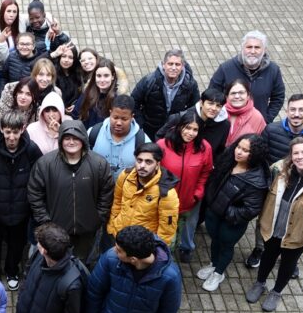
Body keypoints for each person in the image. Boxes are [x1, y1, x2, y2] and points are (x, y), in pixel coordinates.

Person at [246, 137, 303, 311]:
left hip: (298, 236)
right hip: (272, 229)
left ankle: (276, 292)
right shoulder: (278, 171)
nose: (300, 157)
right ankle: (260, 283)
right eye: (296, 153)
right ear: (291, 155)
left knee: (288, 264)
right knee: (267, 257)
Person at [247, 93, 303, 268]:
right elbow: (260, 154)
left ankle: (289, 257)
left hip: (302, 189)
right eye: (292, 109)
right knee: (265, 219)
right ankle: (259, 248)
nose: (296, 114)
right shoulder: (272, 130)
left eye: (301, 110)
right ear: (287, 110)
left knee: (295, 222)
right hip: (274, 186)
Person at [27, 120, 114, 260]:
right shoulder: (45, 164)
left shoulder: (99, 163)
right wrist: (45, 221)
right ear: (61, 140)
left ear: (83, 139)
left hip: (87, 231)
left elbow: (106, 193)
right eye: (67, 138)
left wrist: (97, 218)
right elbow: (35, 194)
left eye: (76, 138)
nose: (71, 142)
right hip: (55, 231)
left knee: (82, 264)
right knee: (56, 263)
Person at [197, 134, 270, 292]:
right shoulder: (228, 161)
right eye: (238, 147)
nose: (239, 152)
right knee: (215, 240)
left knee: (226, 245)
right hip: (214, 214)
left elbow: (251, 209)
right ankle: (214, 264)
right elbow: (213, 181)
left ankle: (218, 273)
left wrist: (223, 209)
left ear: (255, 154)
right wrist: (212, 202)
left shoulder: (257, 181)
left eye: (245, 150)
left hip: (231, 222)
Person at [0, 110, 43, 289]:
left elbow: (38, 178)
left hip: (20, 210)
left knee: (17, 246)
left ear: (22, 129)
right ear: (1, 129)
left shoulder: (31, 150)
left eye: (15, 132)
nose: (11, 137)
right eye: (8, 132)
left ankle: (11, 271)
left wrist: (28, 201)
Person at [157, 109, 213, 263]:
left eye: (195, 129)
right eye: (187, 127)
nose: (191, 133)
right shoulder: (163, 145)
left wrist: (198, 191)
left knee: (187, 227)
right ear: (179, 126)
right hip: (165, 200)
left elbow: (206, 171)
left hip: (190, 200)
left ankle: (186, 248)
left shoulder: (204, 147)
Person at [108, 143, 180, 247]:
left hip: (142, 245)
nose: (142, 166)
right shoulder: (125, 176)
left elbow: (167, 229)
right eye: (139, 160)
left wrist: (158, 249)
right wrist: (112, 226)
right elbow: (117, 202)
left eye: (148, 162)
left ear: (157, 165)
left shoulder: (166, 193)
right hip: (119, 235)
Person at [210, 30, 285, 123]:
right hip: (228, 124)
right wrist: (220, 118)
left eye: (257, 47)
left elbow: (278, 97)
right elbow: (213, 94)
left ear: (264, 50)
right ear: (242, 48)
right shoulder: (225, 68)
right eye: (249, 47)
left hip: (257, 125)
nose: (253, 51)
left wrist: (266, 119)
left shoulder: (273, 70)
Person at [131, 48, 200, 139]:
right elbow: (133, 102)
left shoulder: (190, 84)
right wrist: (141, 124)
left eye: (177, 64)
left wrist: (182, 120)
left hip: (174, 130)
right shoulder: (149, 81)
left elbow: (195, 107)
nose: (174, 68)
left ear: (183, 66)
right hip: (150, 129)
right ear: (163, 65)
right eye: (170, 64)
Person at [87, 94, 149, 182]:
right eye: (115, 117)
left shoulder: (143, 141)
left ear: (132, 117)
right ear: (110, 113)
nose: (119, 123)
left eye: (124, 119)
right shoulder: (93, 133)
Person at [0, 77, 39, 146]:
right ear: (16, 93)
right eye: (20, 92)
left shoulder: (36, 113)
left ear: (34, 96)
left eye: (28, 94)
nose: (23, 97)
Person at [224, 79, 267, 147]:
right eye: (233, 93)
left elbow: (260, 145)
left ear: (248, 96)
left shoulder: (257, 117)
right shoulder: (219, 113)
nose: (237, 96)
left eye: (241, 93)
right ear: (227, 97)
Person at [79, 58, 119, 127]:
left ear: (113, 76)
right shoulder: (87, 93)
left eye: (106, 76)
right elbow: (76, 115)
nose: (102, 80)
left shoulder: (117, 101)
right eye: (99, 76)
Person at [51, 42, 84, 112]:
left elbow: (80, 94)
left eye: (70, 57)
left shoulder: (77, 73)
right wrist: (53, 54)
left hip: (72, 112)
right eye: (64, 56)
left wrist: (76, 104)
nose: (66, 60)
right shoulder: (52, 72)